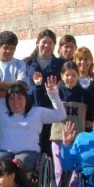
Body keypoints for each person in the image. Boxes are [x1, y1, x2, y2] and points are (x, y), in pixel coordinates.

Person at [42, 61, 94, 187]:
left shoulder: (83, 93)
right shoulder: (56, 92)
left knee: (76, 174)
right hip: (58, 137)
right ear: (61, 76)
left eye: (73, 75)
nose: (70, 78)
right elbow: (40, 102)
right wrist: (41, 86)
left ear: (78, 76)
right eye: (67, 75)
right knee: (60, 173)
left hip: (78, 140)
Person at [0, 76, 65, 187]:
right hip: (4, 151)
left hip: (29, 152)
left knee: (19, 163)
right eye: (11, 98)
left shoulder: (37, 112)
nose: (16, 102)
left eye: (20, 98)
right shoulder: (1, 111)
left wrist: (53, 94)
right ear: (7, 100)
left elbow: (60, 115)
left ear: (26, 98)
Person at [0, 30, 28, 152]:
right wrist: (15, 90)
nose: (9, 51)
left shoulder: (20, 64)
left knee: (13, 156)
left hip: (15, 118)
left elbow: (23, 87)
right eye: (6, 47)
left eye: (12, 48)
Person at [24, 29, 65, 158]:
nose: (47, 45)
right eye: (44, 42)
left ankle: (49, 177)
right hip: (31, 112)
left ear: (54, 45)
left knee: (50, 151)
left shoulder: (61, 64)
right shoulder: (26, 63)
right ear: (37, 43)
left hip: (51, 114)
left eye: (50, 43)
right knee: (31, 149)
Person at [73, 46, 94, 130]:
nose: (83, 62)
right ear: (75, 61)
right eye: (80, 59)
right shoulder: (71, 80)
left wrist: (93, 121)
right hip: (74, 125)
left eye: (86, 59)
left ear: (91, 61)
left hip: (92, 125)